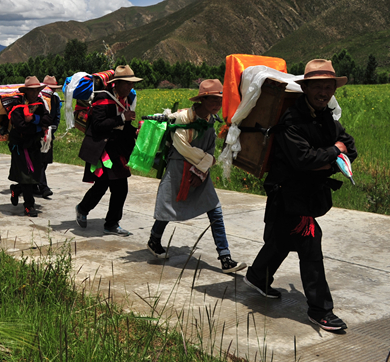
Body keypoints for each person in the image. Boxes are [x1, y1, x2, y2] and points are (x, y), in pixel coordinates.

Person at [244, 59, 357, 332]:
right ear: (306, 88)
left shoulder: (326, 117)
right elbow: (303, 159)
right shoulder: (291, 121)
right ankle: (321, 311)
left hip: (307, 193)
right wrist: (334, 153)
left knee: (281, 240)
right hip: (290, 195)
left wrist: (328, 156)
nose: (324, 92)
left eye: (329, 87)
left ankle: (258, 276)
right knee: (310, 244)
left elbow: (350, 147)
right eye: (318, 87)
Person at [146, 79, 247, 274]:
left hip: (201, 168)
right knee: (170, 206)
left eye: (219, 101)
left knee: (214, 209)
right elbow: (183, 147)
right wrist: (209, 161)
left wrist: (202, 170)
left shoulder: (211, 120)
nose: (217, 105)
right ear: (201, 100)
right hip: (179, 166)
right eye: (212, 100)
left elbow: (210, 147)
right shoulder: (183, 118)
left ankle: (225, 258)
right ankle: (154, 239)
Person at [75, 65, 140, 236]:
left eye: (131, 84)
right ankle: (87, 210)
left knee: (117, 187)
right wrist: (121, 118)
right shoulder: (102, 99)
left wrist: (135, 131)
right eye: (127, 83)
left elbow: (123, 127)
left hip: (117, 149)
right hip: (103, 150)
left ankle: (109, 222)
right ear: (116, 83)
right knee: (105, 185)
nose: (130, 87)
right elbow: (97, 126)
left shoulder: (124, 100)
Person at [8, 76, 48, 217]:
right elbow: (21, 127)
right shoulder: (17, 106)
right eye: (32, 90)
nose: (35, 93)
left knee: (35, 175)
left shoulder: (41, 104)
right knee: (26, 175)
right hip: (20, 145)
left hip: (34, 145)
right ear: (26, 91)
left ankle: (16, 189)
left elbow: (47, 119)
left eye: (37, 90)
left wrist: (35, 119)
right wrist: (39, 128)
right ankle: (29, 205)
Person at [36, 75, 62, 198]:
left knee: (44, 160)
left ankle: (36, 183)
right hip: (40, 132)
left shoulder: (53, 99)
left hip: (48, 133)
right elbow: (56, 116)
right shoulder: (41, 98)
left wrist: (52, 128)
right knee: (41, 161)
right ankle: (43, 186)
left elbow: (57, 115)